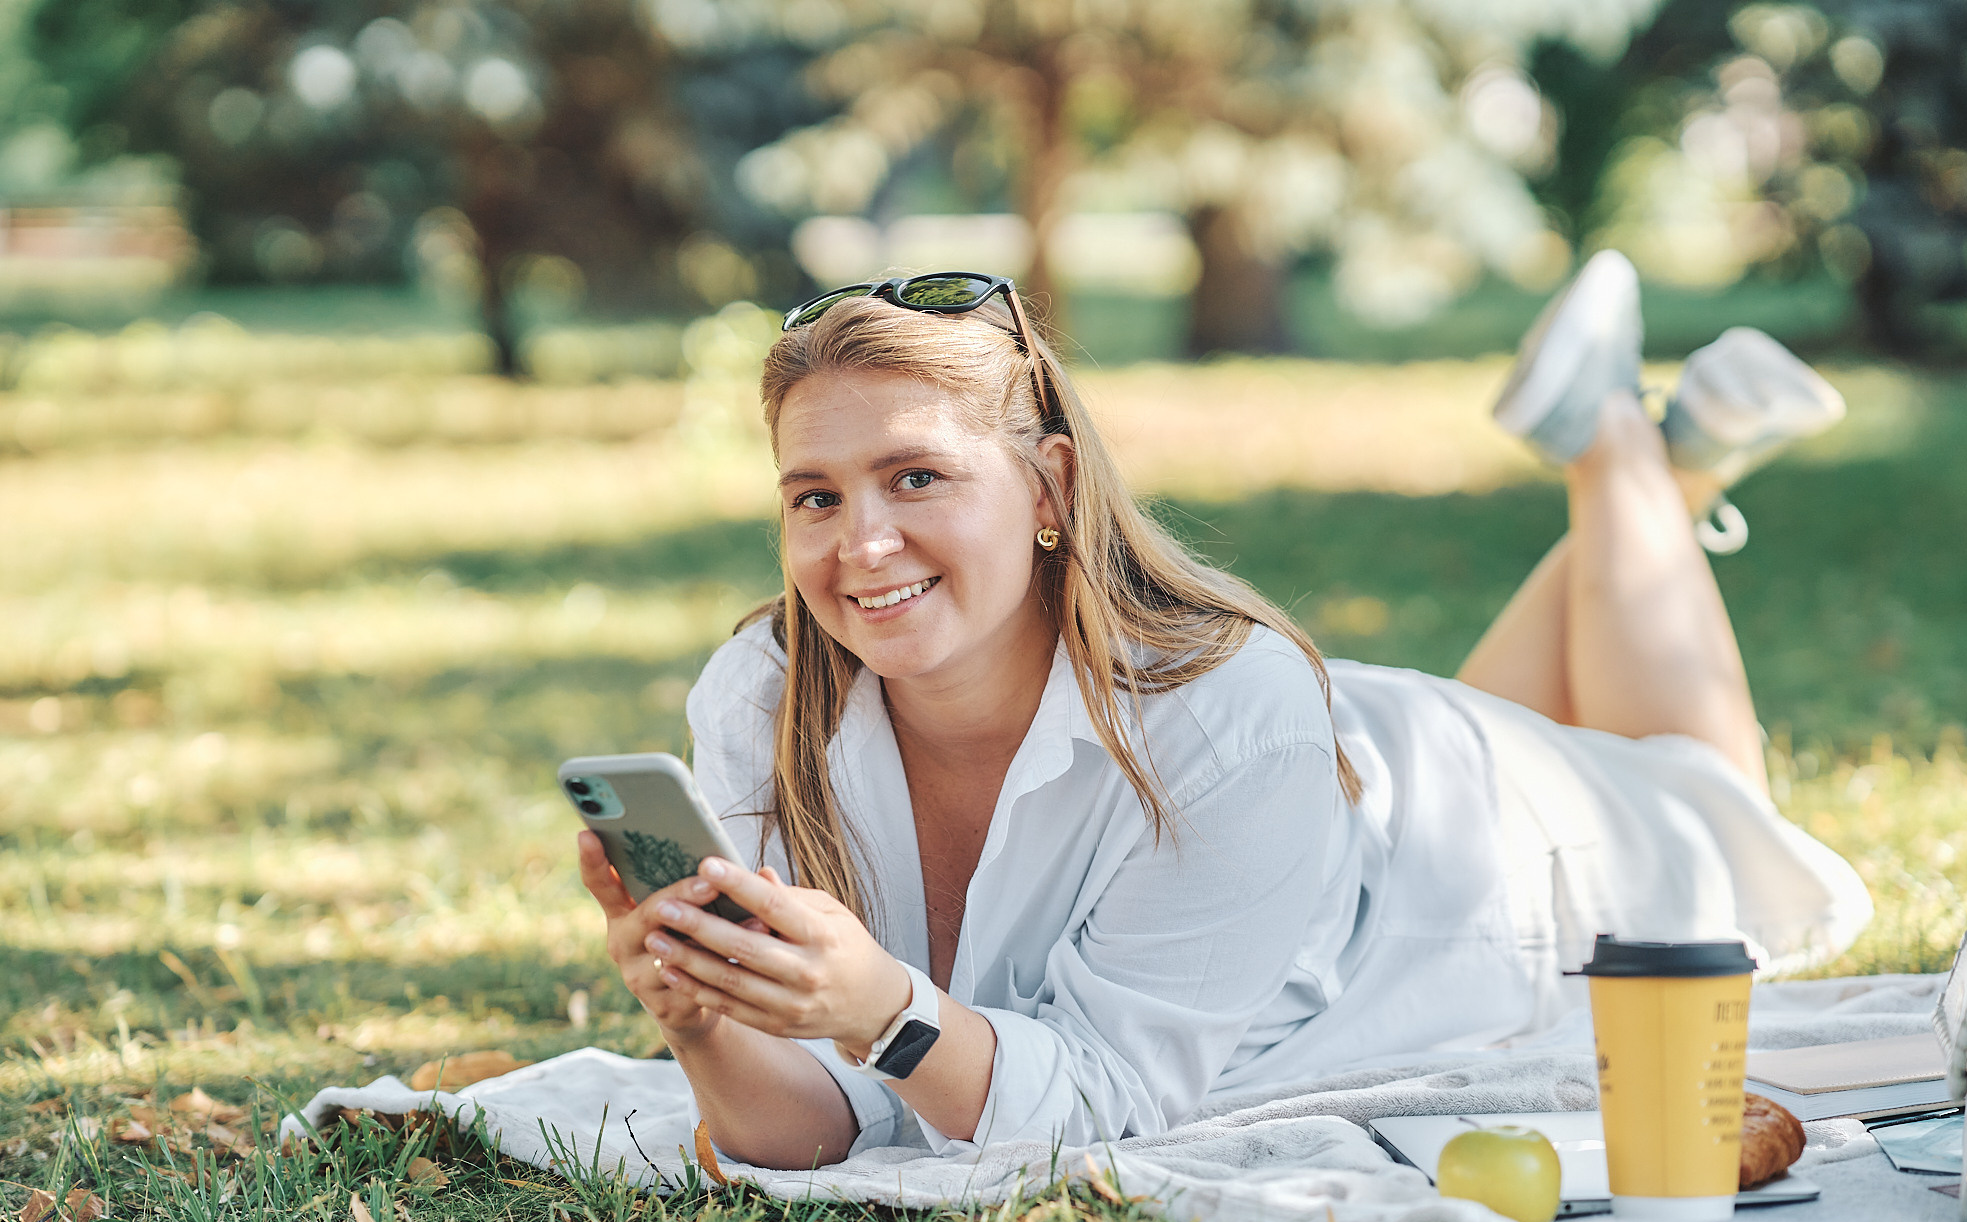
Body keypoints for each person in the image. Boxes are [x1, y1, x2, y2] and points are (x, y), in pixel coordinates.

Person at [578, 256, 1872, 1172]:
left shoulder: (1234, 717)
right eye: (814, 496)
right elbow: (810, 1132)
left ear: (1049, 488)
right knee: (1597, 732)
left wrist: (882, 1005)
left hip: (1448, 854)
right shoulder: (764, 690)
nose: (862, 544)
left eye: (915, 475)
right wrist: (700, 1015)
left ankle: (1622, 445)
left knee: (1707, 792)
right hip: (1319, 779)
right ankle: (1643, 453)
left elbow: (1106, 1099)